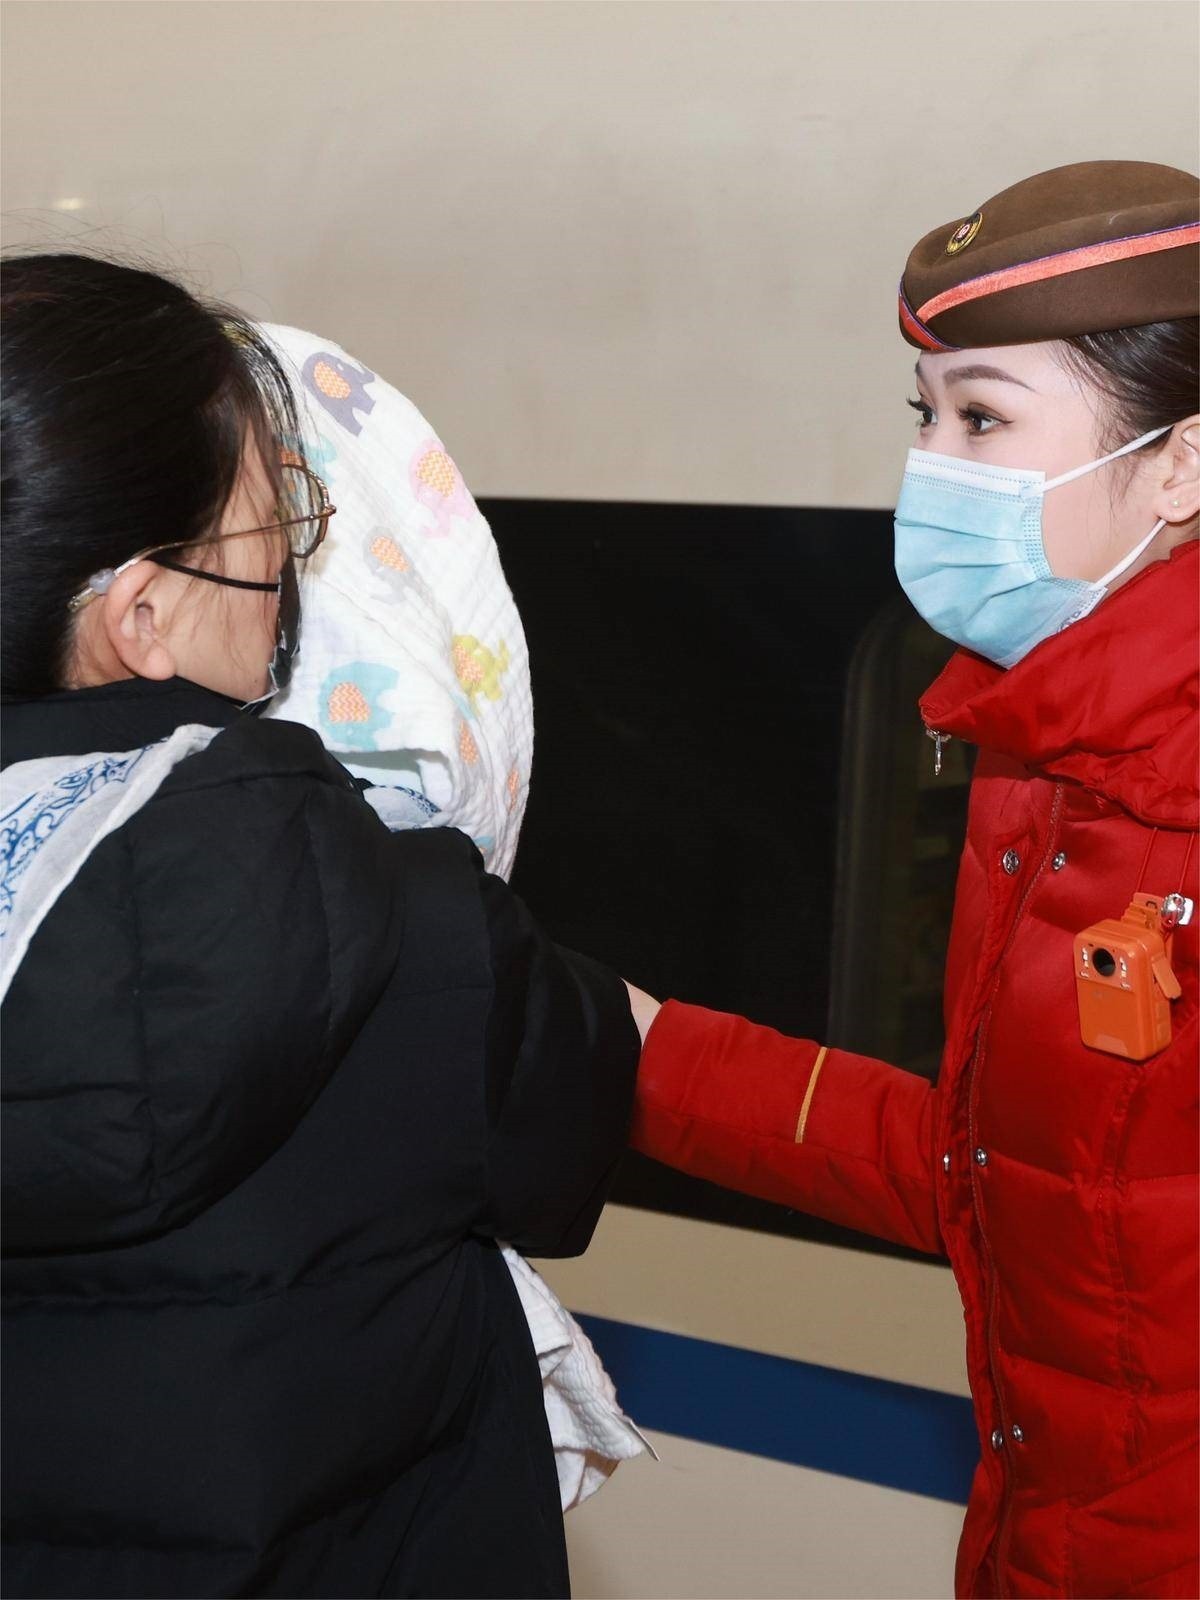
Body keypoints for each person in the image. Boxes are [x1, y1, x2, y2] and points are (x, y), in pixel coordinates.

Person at [0, 252, 640, 1600]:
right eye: (267, 539)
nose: (293, 581)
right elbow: (571, 1129)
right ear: (142, 615)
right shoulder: (411, 924)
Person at [625, 161, 1199, 1599]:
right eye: (924, 417)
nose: (932, 468)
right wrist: (633, 1052)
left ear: (1181, 466)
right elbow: (1004, 1177)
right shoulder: (1039, 764)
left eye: (983, 419)